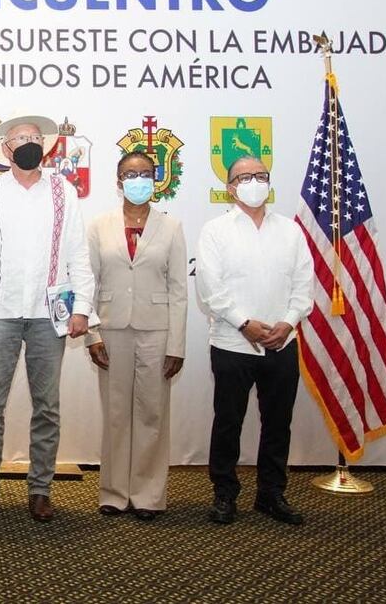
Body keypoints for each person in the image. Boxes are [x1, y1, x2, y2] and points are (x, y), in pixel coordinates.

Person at [0, 115, 95, 522]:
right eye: (20, 139)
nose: (28, 144)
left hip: (46, 315)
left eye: (35, 138)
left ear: (47, 146)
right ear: (6, 149)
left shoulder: (63, 191)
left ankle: (40, 489)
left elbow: (77, 254)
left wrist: (83, 308)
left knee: (47, 407)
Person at [195, 155, 314, 525]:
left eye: (260, 176)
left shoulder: (291, 231)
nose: (253, 182)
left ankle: (271, 493)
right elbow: (210, 288)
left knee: (278, 421)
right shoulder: (215, 231)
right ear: (230, 188)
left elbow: (303, 286)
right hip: (233, 343)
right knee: (228, 421)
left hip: (281, 342)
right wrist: (244, 323)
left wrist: (288, 322)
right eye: (244, 177)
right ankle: (225, 494)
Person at [86, 151, 187, 521]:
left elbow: (178, 290)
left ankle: (147, 495)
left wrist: (176, 344)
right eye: (130, 173)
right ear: (118, 181)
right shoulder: (99, 226)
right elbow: (89, 285)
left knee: (151, 413)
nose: (138, 179)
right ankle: (113, 492)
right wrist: (92, 335)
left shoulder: (171, 227)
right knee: (115, 413)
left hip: (156, 331)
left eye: (145, 173)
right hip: (111, 329)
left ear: (156, 179)